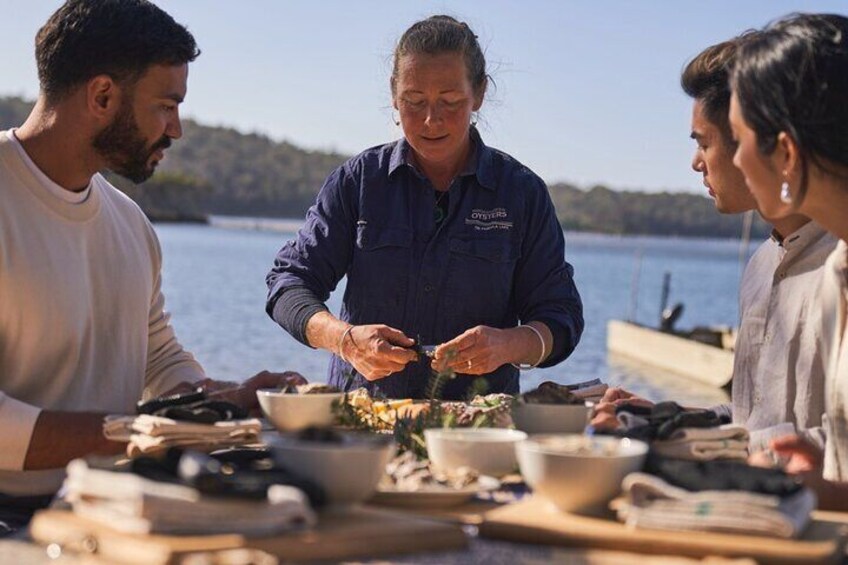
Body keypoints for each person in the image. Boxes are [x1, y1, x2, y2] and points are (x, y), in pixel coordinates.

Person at [0, 0, 303, 534]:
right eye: (166, 105)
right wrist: (154, 428)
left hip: (112, 507)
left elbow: (158, 358)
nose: (177, 129)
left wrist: (223, 403)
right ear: (102, 95)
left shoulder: (132, 225)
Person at [266, 15, 583, 400]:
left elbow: (561, 317)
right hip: (360, 423)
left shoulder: (522, 193)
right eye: (414, 102)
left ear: (479, 93)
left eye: (450, 102)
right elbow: (288, 285)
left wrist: (508, 345)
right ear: (393, 95)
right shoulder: (358, 182)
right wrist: (344, 339)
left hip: (478, 429)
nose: (431, 120)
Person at [594, 36, 837, 451]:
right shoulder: (761, 265)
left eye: (704, 143)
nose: (695, 162)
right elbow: (753, 421)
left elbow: (831, 449)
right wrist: (667, 418)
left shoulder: (837, 265)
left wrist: (685, 440)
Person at [727, 12, 848, 510]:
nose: (736, 161)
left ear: (786, 153)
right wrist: (826, 479)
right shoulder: (838, 269)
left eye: (739, 139)